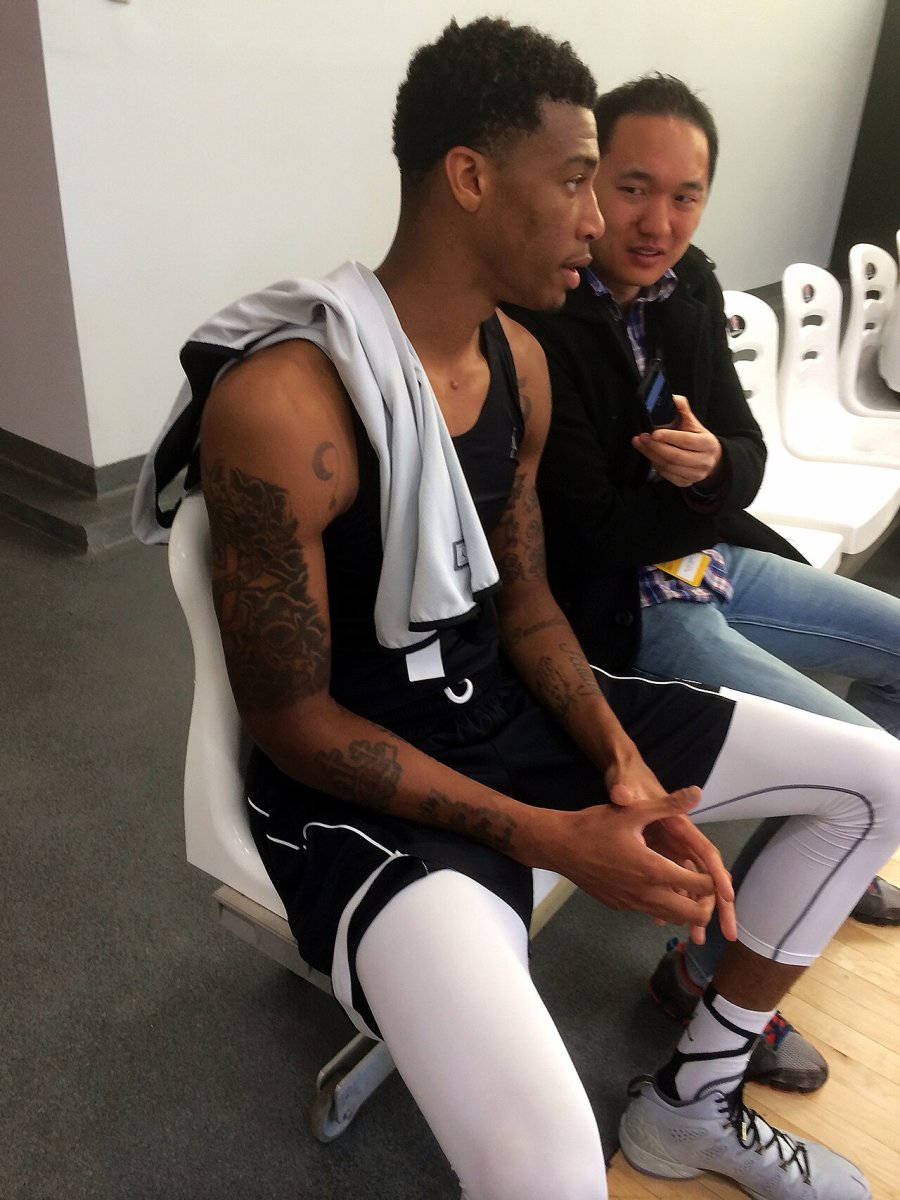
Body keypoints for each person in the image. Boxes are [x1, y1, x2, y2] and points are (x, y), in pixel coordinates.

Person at [135, 23, 900, 1199]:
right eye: (581, 179)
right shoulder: (283, 405)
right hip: (361, 794)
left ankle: (692, 1104)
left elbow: (529, 601)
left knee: (878, 780)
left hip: (507, 714)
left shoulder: (518, 366)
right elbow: (292, 725)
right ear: (471, 177)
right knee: (551, 1172)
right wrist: (550, 836)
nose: (599, 220)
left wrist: (620, 761)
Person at [505, 72, 900, 1096]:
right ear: (588, 185)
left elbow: (748, 451)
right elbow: (588, 534)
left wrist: (717, 470)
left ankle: (817, 855)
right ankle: (706, 972)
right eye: (634, 188)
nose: (659, 223)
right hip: (623, 607)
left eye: (686, 196)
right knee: (871, 774)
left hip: (712, 562)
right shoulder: (541, 316)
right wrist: (703, 491)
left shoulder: (689, 288)